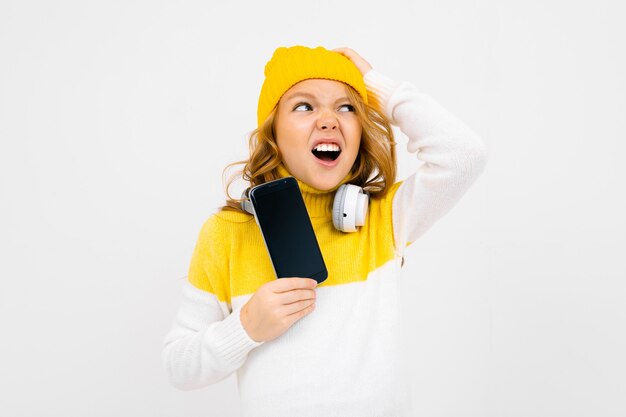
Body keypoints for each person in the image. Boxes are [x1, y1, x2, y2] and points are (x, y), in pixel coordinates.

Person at [162, 45, 489, 417]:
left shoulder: (382, 218)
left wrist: (376, 87)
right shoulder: (228, 233)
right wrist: (246, 327)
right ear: (273, 131)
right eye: (304, 106)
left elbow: (465, 155)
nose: (329, 120)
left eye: (347, 107)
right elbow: (179, 366)